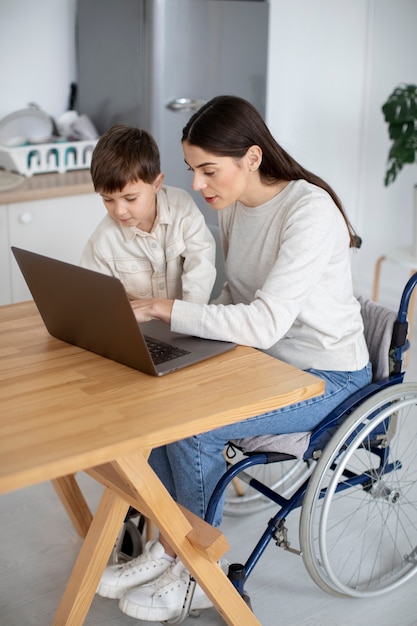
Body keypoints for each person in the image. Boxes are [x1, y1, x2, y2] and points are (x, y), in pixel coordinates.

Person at [97, 96, 372, 622]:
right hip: (264, 363)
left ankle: (198, 569)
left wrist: (167, 308)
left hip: (326, 376)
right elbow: (236, 298)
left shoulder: (309, 211)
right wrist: (175, 332)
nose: (197, 187)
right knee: (154, 399)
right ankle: (171, 544)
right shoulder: (238, 206)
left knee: (196, 428)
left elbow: (265, 320)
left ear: (251, 157)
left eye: (208, 171)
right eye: (192, 171)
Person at [80, 124, 216, 304]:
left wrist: (189, 317)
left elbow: (201, 266)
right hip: (135, 328)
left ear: (156, 184)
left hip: (185, 322)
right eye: (108, 200)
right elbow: (93, 298)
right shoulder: (102, 242)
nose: (119, 211)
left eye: (130, 198)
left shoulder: (182, 209)